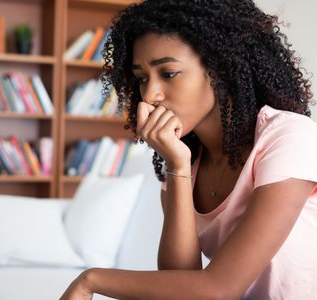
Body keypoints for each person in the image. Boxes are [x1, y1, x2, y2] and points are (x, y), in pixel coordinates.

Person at [60, 0, 317, 299]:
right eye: (142, 78)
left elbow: (218, 289)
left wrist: (90, 280)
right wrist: (178, 168)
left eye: (168, 73)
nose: (151, 95)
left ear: (220, 68)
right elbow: (180, 285)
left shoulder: (288, 137)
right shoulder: (179, 159)